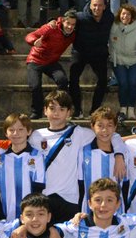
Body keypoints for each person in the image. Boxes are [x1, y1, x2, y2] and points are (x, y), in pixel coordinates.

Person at [30, 90, 127, 223]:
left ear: (69, 112)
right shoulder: (36, 136)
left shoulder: (79, 133)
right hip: (45, 197)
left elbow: (111, 135)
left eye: (62, 109)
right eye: (52, 109)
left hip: (70, 199)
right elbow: (17, 145)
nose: (56, 113)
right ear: (45, 110)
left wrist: (119, 155)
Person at [0, 112, 44, 221]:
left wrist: (31, 215)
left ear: (29, 131)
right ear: (6, 133)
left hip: (29, 218)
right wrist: (1, 217)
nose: (16, 133)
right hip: (4, 217)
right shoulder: (0, 158)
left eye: (21, 129)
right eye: (11, 130)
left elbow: (38, 189)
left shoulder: (37, 156)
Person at [25, 10, 78, 119]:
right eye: (68, 23)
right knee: (35, 86)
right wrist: (34, 41)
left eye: (73, 24)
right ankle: (36, 112)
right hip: (35, 59)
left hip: (51, 62)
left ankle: (61, 107)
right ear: (63, 21)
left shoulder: (72, 35)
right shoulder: (51, 28)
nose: (70, 27)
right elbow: (30, 36)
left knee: (62, 80)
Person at [67, 0, 113, 118]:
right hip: (80, 51)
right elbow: (66, 19)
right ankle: (77, 110)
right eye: (94, 5)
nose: (96, 8)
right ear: (90, 6)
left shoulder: (109, 17)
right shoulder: (81, 17)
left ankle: (94, 110)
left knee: (103, 80)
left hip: (98, 52)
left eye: (99, 5)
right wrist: (53, 22)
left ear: (104, 7)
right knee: (73, 78)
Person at [109, 4, 136, 121]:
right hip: (118, 61)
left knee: (132, 83)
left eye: (128, 14)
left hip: (135, 61)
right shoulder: (113, 26)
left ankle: (131, 109)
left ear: (132, 17)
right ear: (119, 15)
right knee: (123, 83)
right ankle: (123, 109)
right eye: (123, 13)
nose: (125, 16)